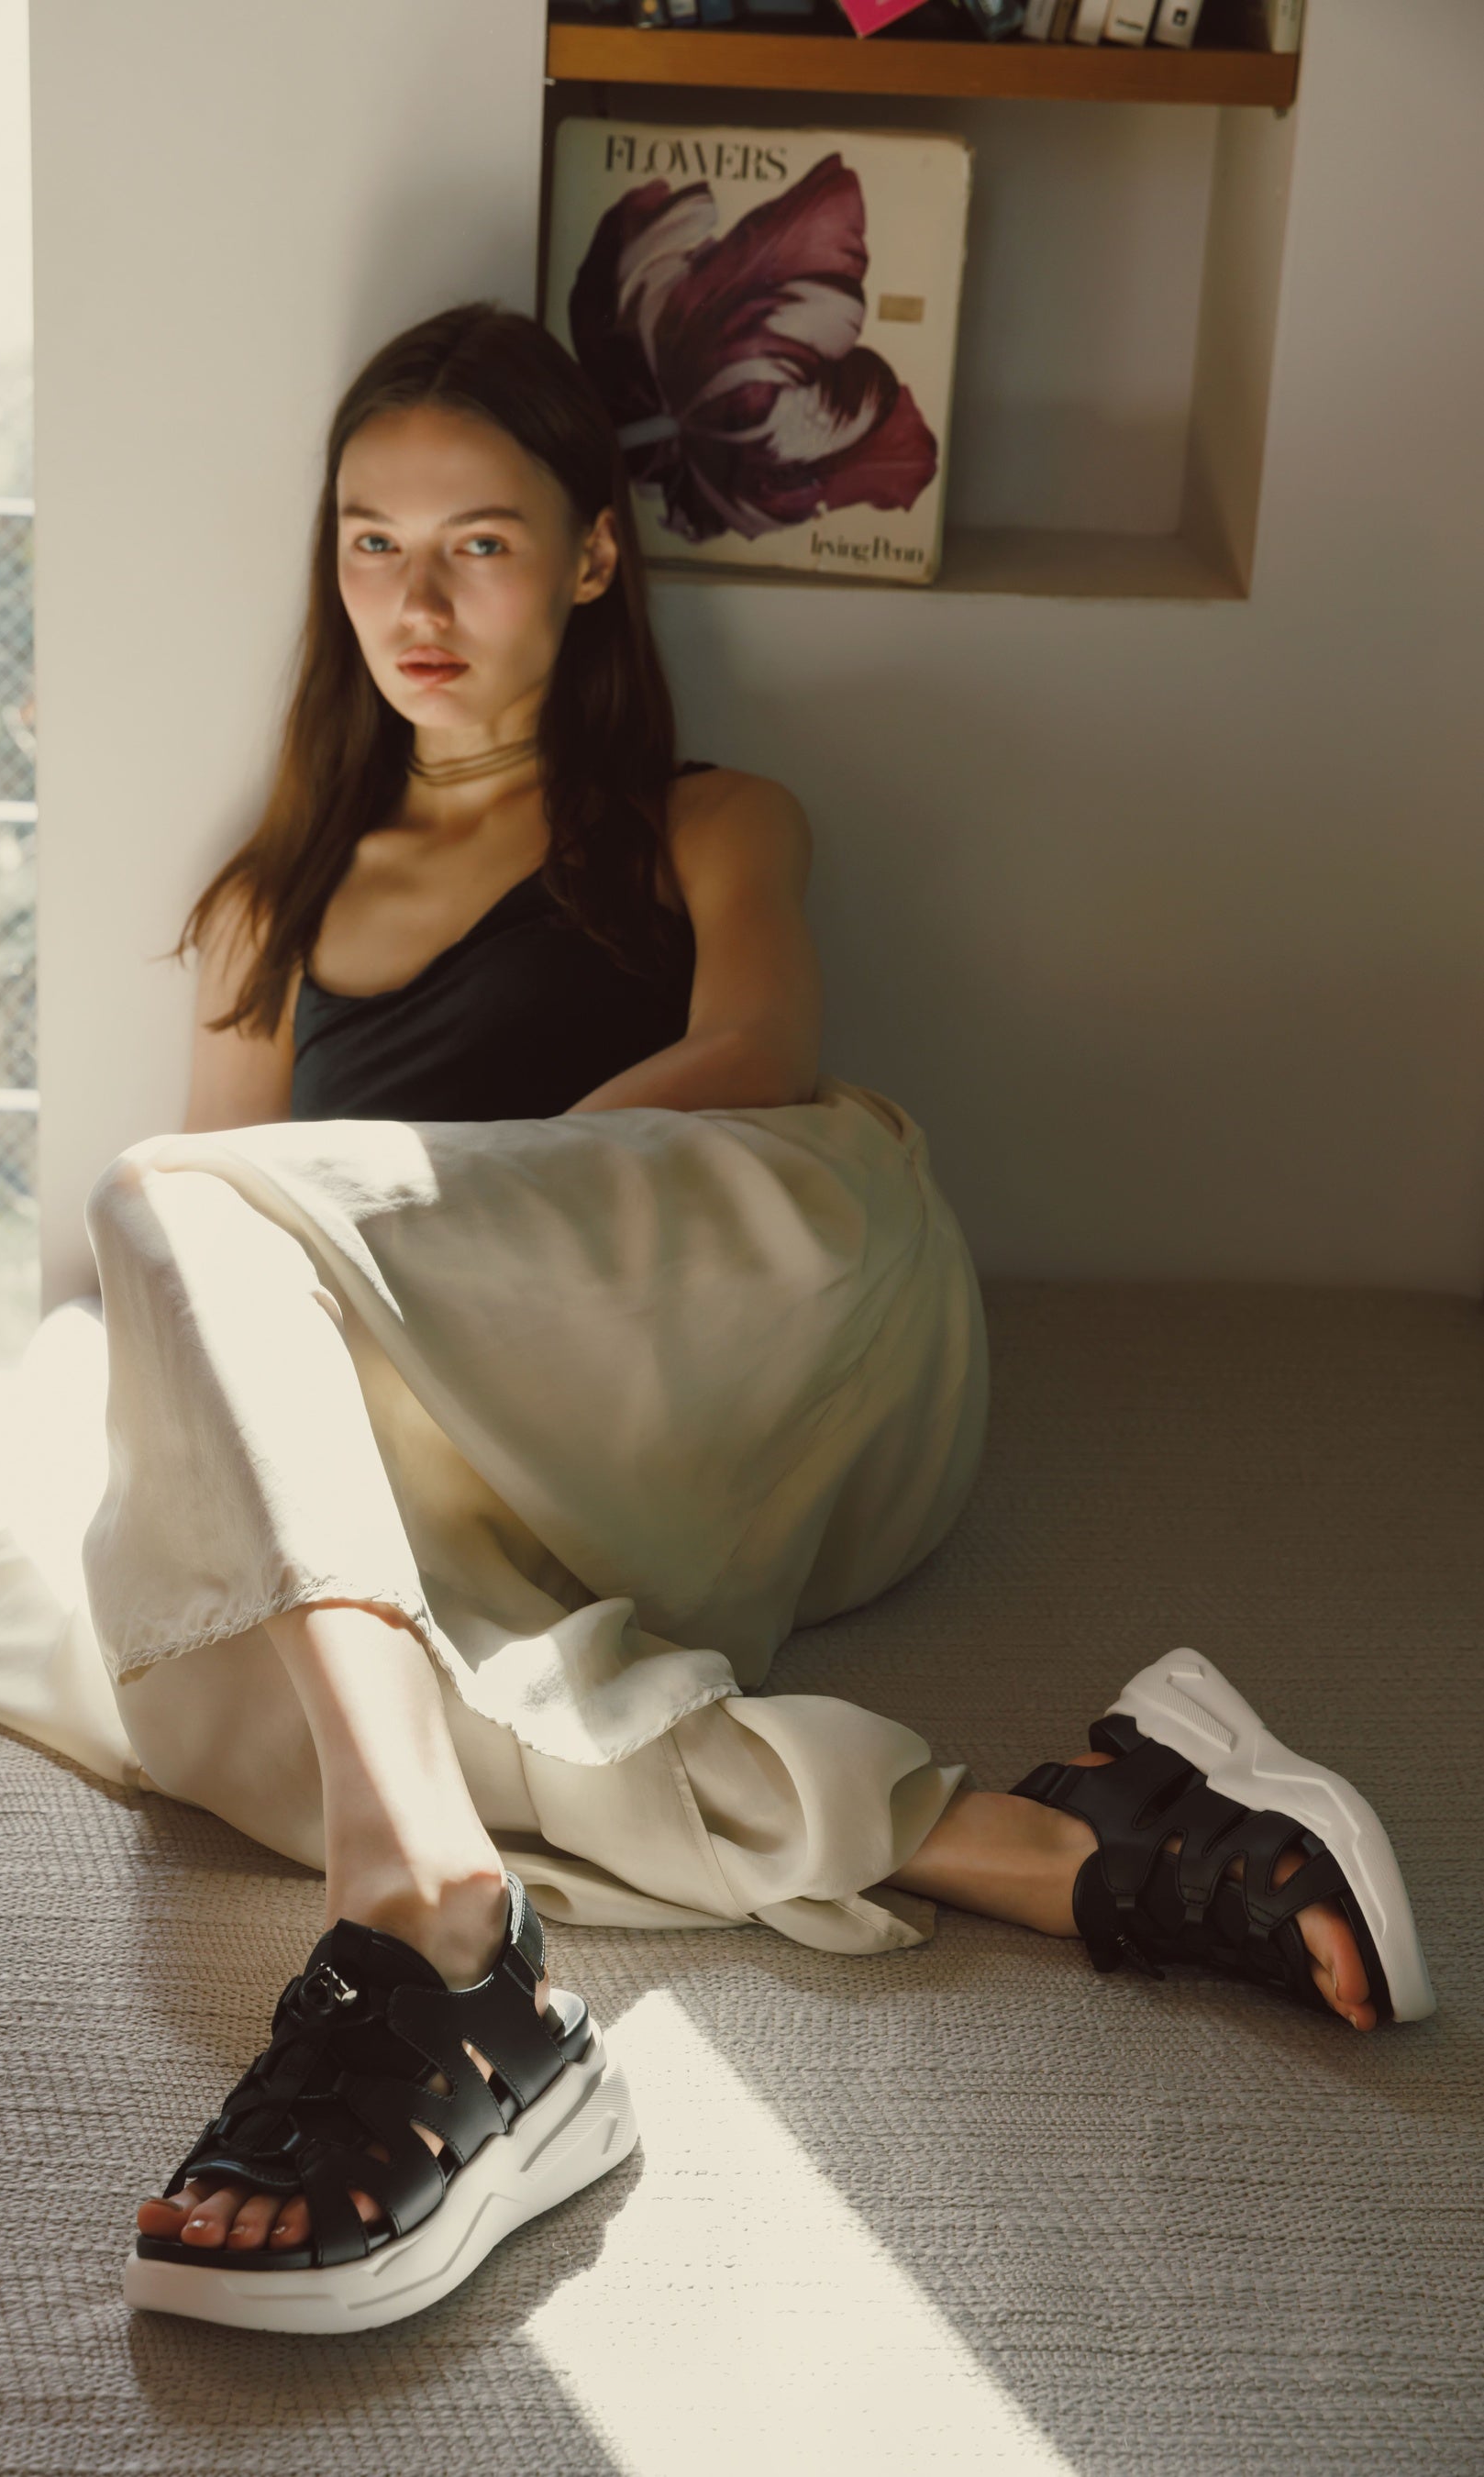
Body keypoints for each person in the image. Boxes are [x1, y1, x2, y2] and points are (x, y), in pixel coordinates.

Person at [80, 303, 1429, 2337]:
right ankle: (1067, 1847)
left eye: (476, 544)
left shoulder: (711, 823)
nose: (412, 604)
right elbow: (223, 1272)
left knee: (179, 1205)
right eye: (370, 543)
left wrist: (438, 1247)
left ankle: (434, 1929)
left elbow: (755, 1061)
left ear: (591, 558)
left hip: (726, 1377)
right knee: (264, 1666)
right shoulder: (273, 902)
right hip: (480, 1459)